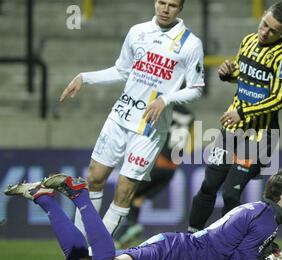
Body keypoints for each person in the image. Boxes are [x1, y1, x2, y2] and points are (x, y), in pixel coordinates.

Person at [58, 0, 204, 243]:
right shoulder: (137, 32)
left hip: (150, 128)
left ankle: (97, 254)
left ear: (181, 9)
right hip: (120, 116)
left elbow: (197, 88)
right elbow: (122, 70)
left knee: (124, 191)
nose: (165, 9)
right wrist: (85, 77)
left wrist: (165, 100)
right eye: (161, 2)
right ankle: (77, 250)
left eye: (172, 5)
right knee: (94, 178)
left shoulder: (190, 43)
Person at [4, 167, 282, 260]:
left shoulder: (259, 212)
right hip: (176, 255)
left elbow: (240, 249)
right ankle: (81, 196)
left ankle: (43, 197)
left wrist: (271, 256)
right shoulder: (265, 220)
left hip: (176, 248)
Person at [188, 1, 282, 233]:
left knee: (231, 193)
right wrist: (228, 74)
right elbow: (242, 74)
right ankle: (189, 239)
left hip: (260, 136)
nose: (264, 32)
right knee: (209, 186)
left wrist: (242, 112)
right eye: (264, 24)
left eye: (273, 31)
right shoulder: (248, 40)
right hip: (232, 129)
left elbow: (279, 99)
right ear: (262, 17)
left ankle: (226, 248)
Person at [114, 104, 195, 248]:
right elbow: (190, 144)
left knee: (127, 191)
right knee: (139, 196)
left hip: (158, 161)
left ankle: (130, 225)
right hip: (172, 168)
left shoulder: (166, 108)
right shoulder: (191, 116)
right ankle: (127, 233)